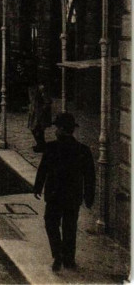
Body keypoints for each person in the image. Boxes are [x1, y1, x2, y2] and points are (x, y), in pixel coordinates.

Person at [34, 113, 95, 271]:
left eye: (56, 128)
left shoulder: (52, 147)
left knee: (51, 223)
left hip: (54, 195)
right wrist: (89, 196)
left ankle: (57, 254)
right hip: (73, 196)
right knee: (70, 226)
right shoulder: (83, 150)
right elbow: (90, 176)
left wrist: (37, 187)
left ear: (61, 129)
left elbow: (43, 169)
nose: (55, 131)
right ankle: (69, 259)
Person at [29, 84, 53, 152]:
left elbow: (48, 101)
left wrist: (42, 111)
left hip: (40, 113)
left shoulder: (41, 88)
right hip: (34, 112)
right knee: (34, 128)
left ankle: (41, 145)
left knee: (38, 129)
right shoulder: (32, 88)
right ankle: (40, 144)